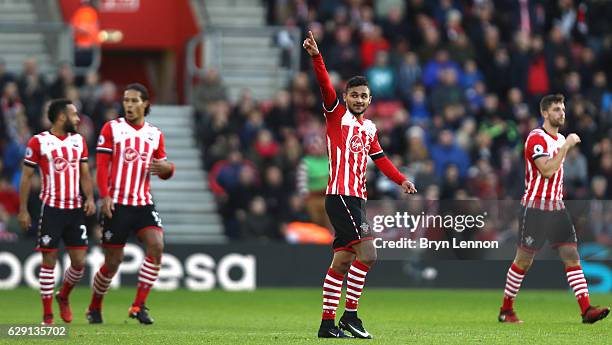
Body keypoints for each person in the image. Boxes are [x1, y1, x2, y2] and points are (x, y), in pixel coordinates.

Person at [303, 31, 417, 339]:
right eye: (354, 95)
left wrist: (401, 179)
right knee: (369, 254)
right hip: (340, 195)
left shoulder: (369, 128)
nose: (359, 99)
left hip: (357, 199)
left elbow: (380, 159)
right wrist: (316, 56)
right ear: (346, 97)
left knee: (341, 261)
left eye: (364, 96)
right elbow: (325, 85)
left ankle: (327, 325)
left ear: (370, 100)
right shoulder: (336, 115)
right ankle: (350, 316)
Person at [498, 94, 609, 324]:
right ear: (545, 113)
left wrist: (564, 144)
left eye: (563, 109)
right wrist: (567, 145)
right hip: (535, 208)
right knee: (523, 262)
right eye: (557, 109)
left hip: (557, 208)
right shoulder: (536, 138)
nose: (562, 113)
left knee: (571, 255)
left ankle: (586, 310)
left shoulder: (558, 140)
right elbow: (546, 171)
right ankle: (506, 310)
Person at [87, 83, 174, 325]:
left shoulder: (155, 134)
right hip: (117, 204)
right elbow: (102, 165)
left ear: (145, 104)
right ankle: (94, 306)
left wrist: (169, 169)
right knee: (113, 262)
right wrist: (104, 195)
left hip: (143, 203)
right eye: (126, 100)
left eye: (134, 101)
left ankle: (138, 306)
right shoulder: (112, 129)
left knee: (156, 246)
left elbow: (163, 168)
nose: (129, 105)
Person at [18, 99, 96, 325]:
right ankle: (47, 314)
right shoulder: (39, 142)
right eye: (74, 115)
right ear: (62, 117)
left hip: (74, 210)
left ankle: (63, 296)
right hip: (51, 208)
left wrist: (90, 198)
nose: (78, 119)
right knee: (49, 261)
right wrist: (23, 210)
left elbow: (84, 173)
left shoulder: (78, 140)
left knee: (79, 262)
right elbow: (26, 176)